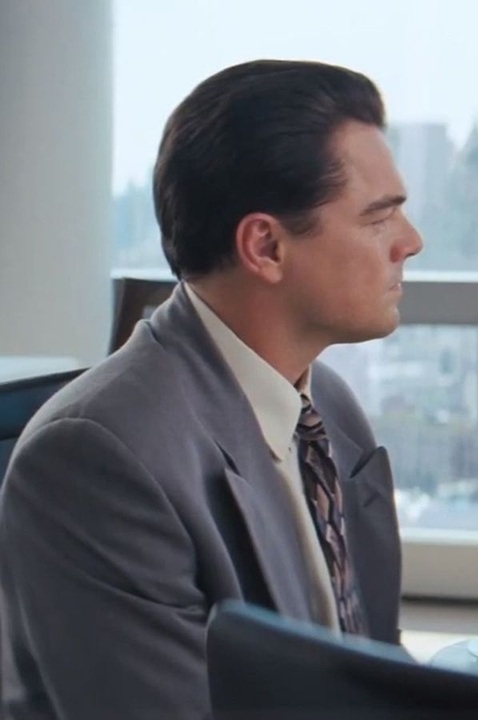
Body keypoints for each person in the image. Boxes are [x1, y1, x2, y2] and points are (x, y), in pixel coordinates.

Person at [0, 59, 422, 719]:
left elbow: (373, 676)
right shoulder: (97, 458)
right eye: (378, 219)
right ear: (266, 247)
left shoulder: (329, 408)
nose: (410, 243)